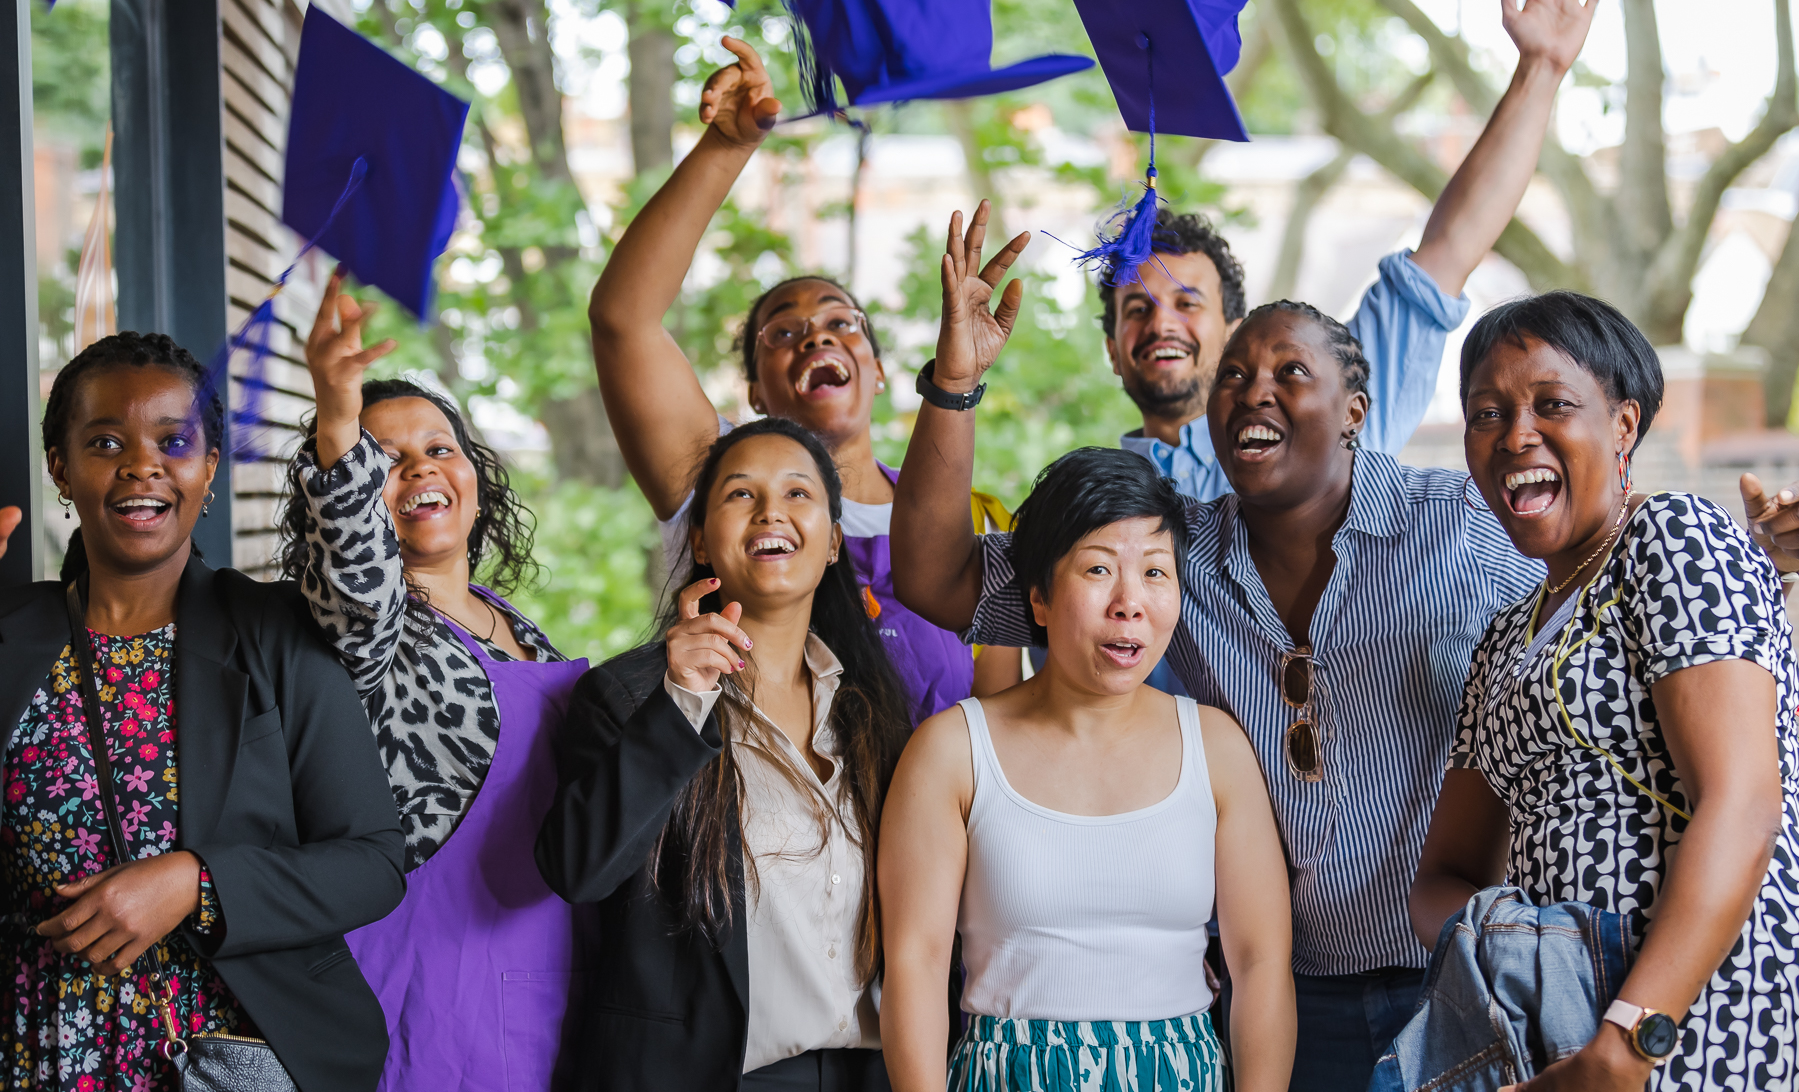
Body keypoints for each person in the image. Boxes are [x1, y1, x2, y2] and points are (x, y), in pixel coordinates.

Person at [891, 190, 1549, 1090]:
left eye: (1288, 374)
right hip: (1285, 998)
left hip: (1457, 980)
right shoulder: (1169, 558)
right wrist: (954, 382)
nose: (1252, 393)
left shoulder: (1461, 527)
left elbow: (1589, 620)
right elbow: (932, 577)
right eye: (1233, 377)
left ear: (1356, 410)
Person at [1410, 291, 1799, 1092]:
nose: (1515, 433)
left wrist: (1627, 1039)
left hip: (1695, 1019)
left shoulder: (1674, 535)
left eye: (1551, 404)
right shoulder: (1503, 636)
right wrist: (1515, 953)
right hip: (1551, 1037)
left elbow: (1744, 801)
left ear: (1622, 427)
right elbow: (1441, 874)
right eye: (1486, 413)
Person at [0, 332, 405, 1091]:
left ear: (209, 467)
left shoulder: (276, 634)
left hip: (218, 1051)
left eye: (173, 440)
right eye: (105, 441)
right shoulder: (9, 635)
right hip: (35, 1049)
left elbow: (373, 862)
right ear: (61, 466)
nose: (141, 464)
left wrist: (195, 882)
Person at [588, 34, 1021, 716]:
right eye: (781, 333)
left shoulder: (966, 522)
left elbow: (1005, 729)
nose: (815, 334)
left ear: (878, 371)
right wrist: (725, 149)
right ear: (756, 391)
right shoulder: (718, 486)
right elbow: (623, 319)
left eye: (842, 322)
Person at [1106, 0, 1606, 507]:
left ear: (1232, 332)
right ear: (1113, 349)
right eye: (1137, 308)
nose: (1162, 323)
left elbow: (1448, 249)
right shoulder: (1099, 503)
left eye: (1188, 301)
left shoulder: (1327, 422)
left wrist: (1538, 71)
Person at [879, 446, 1294, 1092]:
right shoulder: (951, 751)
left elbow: (1260, 960)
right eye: (1098, 569)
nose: (1129, 602)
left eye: (1155, 573)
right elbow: (916, 962)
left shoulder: (1215, 747)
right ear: (1038, 598)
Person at [277, 275, 595, 1091]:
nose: (418, 467)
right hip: (427, 991)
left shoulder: (517, 627)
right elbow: (356, 580)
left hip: (548, 972)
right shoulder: (369, 631)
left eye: (438, 448)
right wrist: (337, 421)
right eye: (384, 459)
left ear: (475, 477)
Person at [536, 416, 914, 1091]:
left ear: (832, 543)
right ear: (701, 542)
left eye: (799, 493)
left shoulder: (875, 710)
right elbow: (578, 869)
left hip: (867, 1073)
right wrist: (682, 699)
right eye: (741, 494)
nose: (772, 511)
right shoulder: (627, 697)